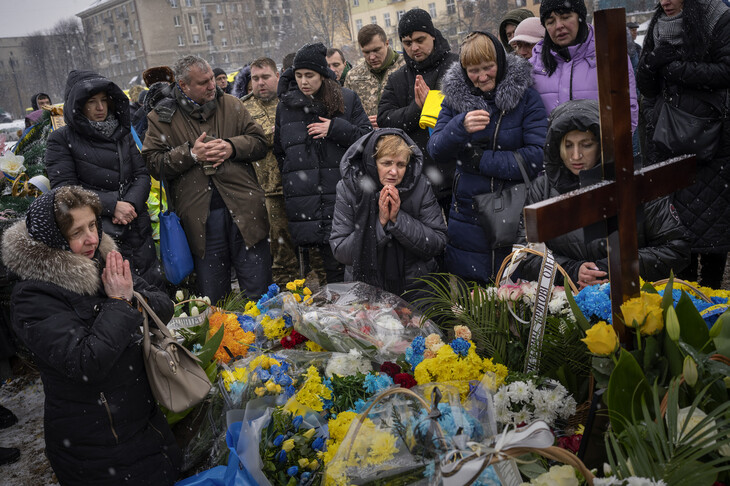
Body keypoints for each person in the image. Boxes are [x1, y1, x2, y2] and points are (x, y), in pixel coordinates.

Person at [2, 186, 182, 485]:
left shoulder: (101, 260)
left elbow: (162, 306)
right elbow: (86, 363)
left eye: (93, 225)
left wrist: (129, 300)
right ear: (54, 239)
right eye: (77, 232)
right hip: (97, 443)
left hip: (142, 421)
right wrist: (121, 304)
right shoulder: (32, 296)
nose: (92, 238)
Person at [517, 100, 690, 287]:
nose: (575, 155)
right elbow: (524, 256)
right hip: (566, 303)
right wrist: (572, 271)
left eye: (586, 144)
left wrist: (615, 267)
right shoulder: (542, 190)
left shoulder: (636, 183)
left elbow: (676, 249)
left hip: (635, 301)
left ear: (602, 145)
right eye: (568, 145)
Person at [142, 55, 270, 303]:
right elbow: (152, 163)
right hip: (199, 222)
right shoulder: (160, 118)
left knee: (260, 293)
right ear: (183, 85)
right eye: (203, 82)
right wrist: (190, 154)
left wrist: (232, 147)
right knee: (214, 300)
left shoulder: (232, 105)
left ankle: (267, 336)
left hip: (245, 213)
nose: (213, 85)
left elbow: (260, 143)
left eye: (212, 78)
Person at [427, 31, 548, 282]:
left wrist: (481, 161)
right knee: (473, 297)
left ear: (501, 64)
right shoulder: (454, 101)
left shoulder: (526, 98)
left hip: (514, 210)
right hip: (468, 213)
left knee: (514, 289)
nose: (481, 77)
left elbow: (536, 157)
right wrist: (459, 126)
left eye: (488, 67)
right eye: (473, 70)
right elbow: (435, 148)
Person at [637, 0, 730, 289]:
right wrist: (652, 65)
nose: (665, 2)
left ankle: (715, 303)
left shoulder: (718, 17)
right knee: (677, 233)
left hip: (711, 142)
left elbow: (725, 71)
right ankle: (685, 299)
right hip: (667, 140)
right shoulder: (657, 25)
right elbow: (647, 85)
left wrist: (674, 68)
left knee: (713, 230)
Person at [45, 70, 163, 290]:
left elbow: (141, 175)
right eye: (92, 102)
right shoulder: (60, 140)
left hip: (136, 225)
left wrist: (130, 204)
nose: (100, 108)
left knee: (151, 291)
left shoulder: (121, 133)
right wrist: (112, 206)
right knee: (116, 294)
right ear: (78, 105)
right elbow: (65, 191)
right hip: (99, 233)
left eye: (103, 101)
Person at [274, 42, 372, 284]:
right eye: (298, 75)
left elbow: (367, 138)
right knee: (315, 274)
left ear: (322, 75)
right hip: (305, 198)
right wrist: (295, 180)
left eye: (310, 75)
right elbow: (281, 151)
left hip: (340, 194)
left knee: (344, 265)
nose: (304, 81)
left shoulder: (346, 99)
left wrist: (335, 128)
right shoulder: (285, 107)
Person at [331, 129, 447, 294]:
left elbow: (437, 241)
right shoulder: (349, 188)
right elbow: (341, 251)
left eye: (401, 165)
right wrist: (380, 223)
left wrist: (397, 219)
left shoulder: (419, 185)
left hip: (416, 287)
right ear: (372, 162)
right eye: (386, 163)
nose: (394, 172)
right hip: (365, 289)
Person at [377, 8, 460, 216]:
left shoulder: (456, 65)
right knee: (427, 243)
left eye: (419, 40)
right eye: (407, 43)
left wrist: (431, 104)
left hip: (456, 171)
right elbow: (385, 118)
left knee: (461, 241)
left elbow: (466, 108)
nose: (414, 48)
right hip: (417, 176)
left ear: (432, 35)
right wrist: (417, 109)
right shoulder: (398, 79)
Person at [530, 0, 639, 130]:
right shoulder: (534, 66)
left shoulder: (609, 54)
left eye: (565, 17)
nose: (558, 25)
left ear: (580, 17)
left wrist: (597, 148)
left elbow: (625, 113)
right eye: (550, 22)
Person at [242, 57, 299, 286]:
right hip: (264, 188)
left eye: (265, 77)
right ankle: (285, 288)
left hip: (297, 184)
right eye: (255, 78)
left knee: (307, 244)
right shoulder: (242, 108)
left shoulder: (290, 102)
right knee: (278, 248)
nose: (260, 83)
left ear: (277, 76)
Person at [344, 23, 406, 129]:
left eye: (376, 50)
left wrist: (389, 119)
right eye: (366, 52)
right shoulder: (353, 76)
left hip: (403, 135)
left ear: (387, 43)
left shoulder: (406, 66)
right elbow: (346, 113)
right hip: (368, 140)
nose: (372, 57)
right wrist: (363, 122)